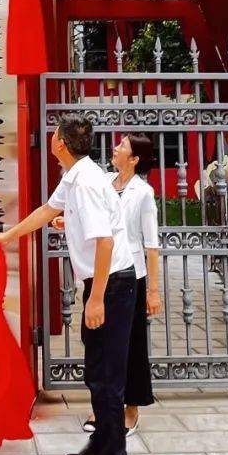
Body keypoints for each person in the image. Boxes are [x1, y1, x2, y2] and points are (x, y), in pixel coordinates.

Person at [0, 114, 136, 455]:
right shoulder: (75, 177)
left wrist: (96, 297)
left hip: (112, 285)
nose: (51, 137)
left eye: (54, 133)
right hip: (105, 282)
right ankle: (100, 449)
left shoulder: (85, 183)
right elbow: (46, 211)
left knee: (108, 382)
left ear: (60, 144)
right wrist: (8, 235)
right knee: (96, 375)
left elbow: (104, 243)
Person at [58, 134, 161, 437]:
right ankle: (100, 407)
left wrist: (153, 291)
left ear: (135, 159)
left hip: (133, 277)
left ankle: (130, 411)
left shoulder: (143, 193)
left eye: (122, 147)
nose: (115, 149)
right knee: (96, 344)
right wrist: (67, 221)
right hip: (102, 274)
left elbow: (151, 245)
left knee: (129, 348)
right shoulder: (103, 180)